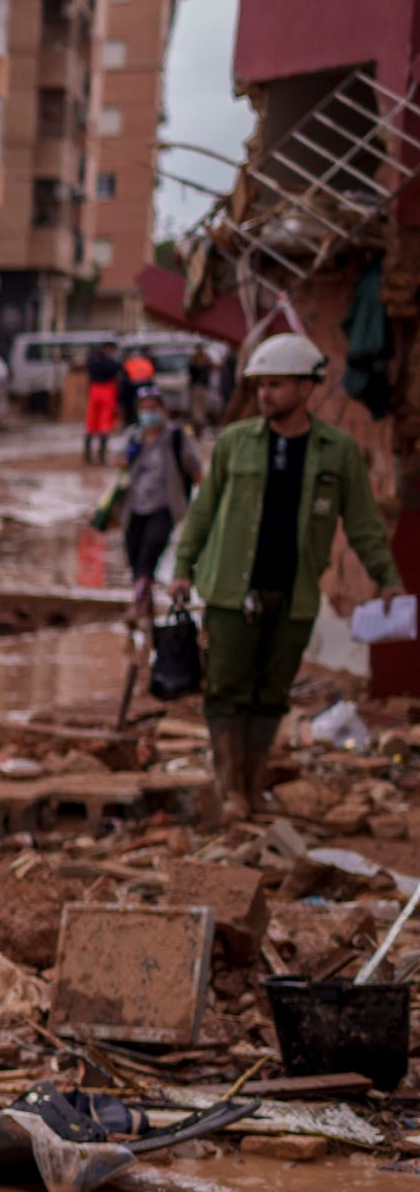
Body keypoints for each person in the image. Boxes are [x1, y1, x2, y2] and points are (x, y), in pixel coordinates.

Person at [169, 331, 404, 823]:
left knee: (270, 693)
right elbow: (202, 512)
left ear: (305, 388)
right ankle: (229, 787)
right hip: (232, 591)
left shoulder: (336, 452)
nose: (265, 395)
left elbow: (362, 521)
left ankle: (254, 789)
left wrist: (386, 577)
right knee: (226, 690)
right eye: (261, 387)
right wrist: (183, 570)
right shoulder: (236, 443)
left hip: (294, 594)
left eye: (276, 385)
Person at [113, 391, 195, 620]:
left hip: (164, 506)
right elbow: (118, 462)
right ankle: (146, 603)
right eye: (144, 409)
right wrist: (127, 457)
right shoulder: (133, 437)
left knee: (150, 550)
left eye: (153, 408)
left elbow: (195, 470)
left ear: (163, 410)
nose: (149, 414)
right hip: (134, 507)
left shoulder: (177, 437)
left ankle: (139, 604)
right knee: (135, 555)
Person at [82, 351, 120, 464]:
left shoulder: (92, 362)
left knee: (91, 423)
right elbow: (117, 373)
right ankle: (101, 456)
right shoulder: (112, 362)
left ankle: (87, 455)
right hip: (107, 390)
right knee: (105, 423)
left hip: (95, 391)